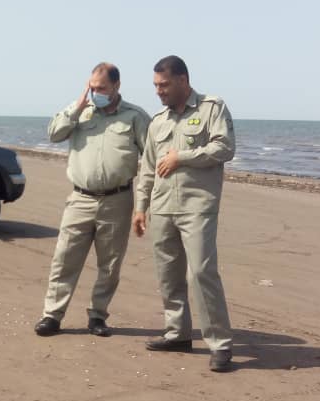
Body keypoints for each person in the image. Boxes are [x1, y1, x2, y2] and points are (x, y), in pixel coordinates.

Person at [132, 55, 235, 372]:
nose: (159, 91)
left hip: (197, 205)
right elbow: (147, 168)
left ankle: (219, 344)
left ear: (182, 80)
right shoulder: (158, 122)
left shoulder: (211, 108)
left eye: (164, 85)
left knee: (201, 272)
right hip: (163, 207)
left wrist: (183, 157)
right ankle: (177, 333)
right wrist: (140, 207)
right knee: (169, 273)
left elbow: (225, 147)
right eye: (155, 86)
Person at [35, 63, 150, 337]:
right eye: (92, 87)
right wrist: (77, 107)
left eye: (101, 88)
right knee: (64, 258)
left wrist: (143, 204)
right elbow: (53, 134)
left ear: (116, 87)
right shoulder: (79, 111)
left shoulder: (135, 117)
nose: (96, 92)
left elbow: (151, 158)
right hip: (80, 199)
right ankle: (52, 315)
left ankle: (97, 316)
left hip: (117, 200)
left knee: (109, 264)